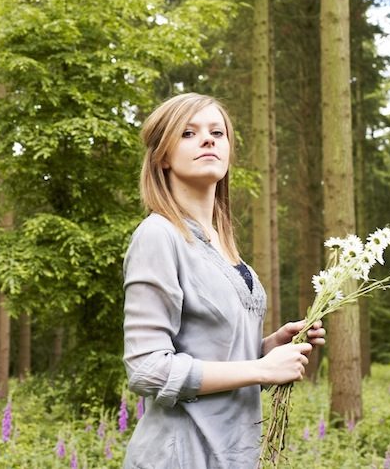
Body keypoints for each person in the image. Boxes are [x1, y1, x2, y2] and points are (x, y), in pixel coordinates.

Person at [122, 93, 325, 469]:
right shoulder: (158, 235)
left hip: (235, 455)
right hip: (180, 457)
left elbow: (213, 355)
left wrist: (266, 348)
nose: (208, 139)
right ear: (162, 156)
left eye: (218, 132)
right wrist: (262, 369)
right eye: (188, 132)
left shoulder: (223, 244)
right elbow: (147, 369)